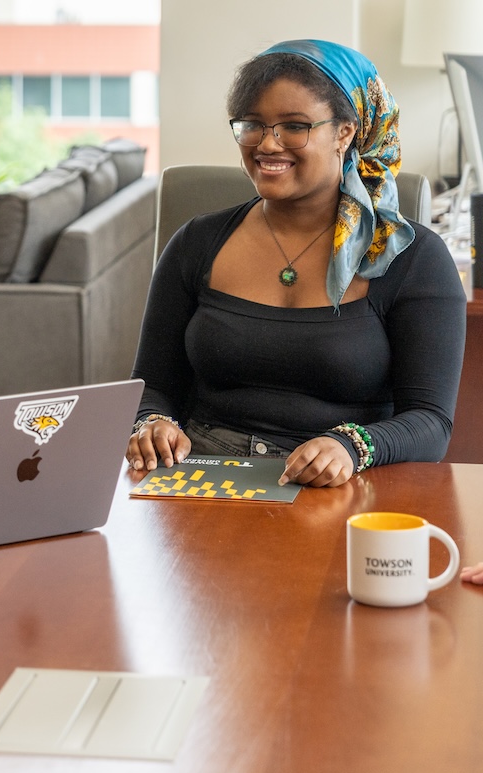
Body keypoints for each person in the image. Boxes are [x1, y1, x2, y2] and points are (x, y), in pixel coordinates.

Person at [128, 39, 466, 487]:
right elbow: (152, 386)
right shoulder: (196, 242)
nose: (268, 144)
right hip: (201, 473)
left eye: (294, 126)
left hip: (340, 481)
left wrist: (351, 446)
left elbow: (430, 421)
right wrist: (151, 424)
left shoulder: (413, 256)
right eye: (252, 125)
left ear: (346, 131)